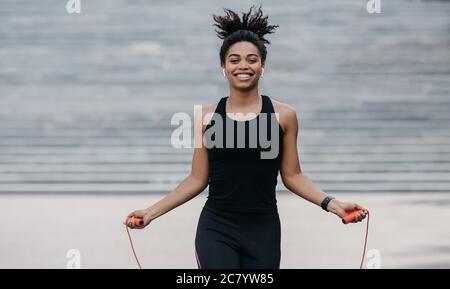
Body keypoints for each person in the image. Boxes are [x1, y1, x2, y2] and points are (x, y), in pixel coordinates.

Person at [126, 6, 368, 269]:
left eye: (252, 60)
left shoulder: (283, 116)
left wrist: (334, 205)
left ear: (262, 67)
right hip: (216, 228)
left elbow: (293, 176)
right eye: (234, 59)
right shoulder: (207, 117)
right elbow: (197, 178)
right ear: (223, 67)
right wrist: (150, 213)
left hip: (263, 228)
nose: (243, 65)